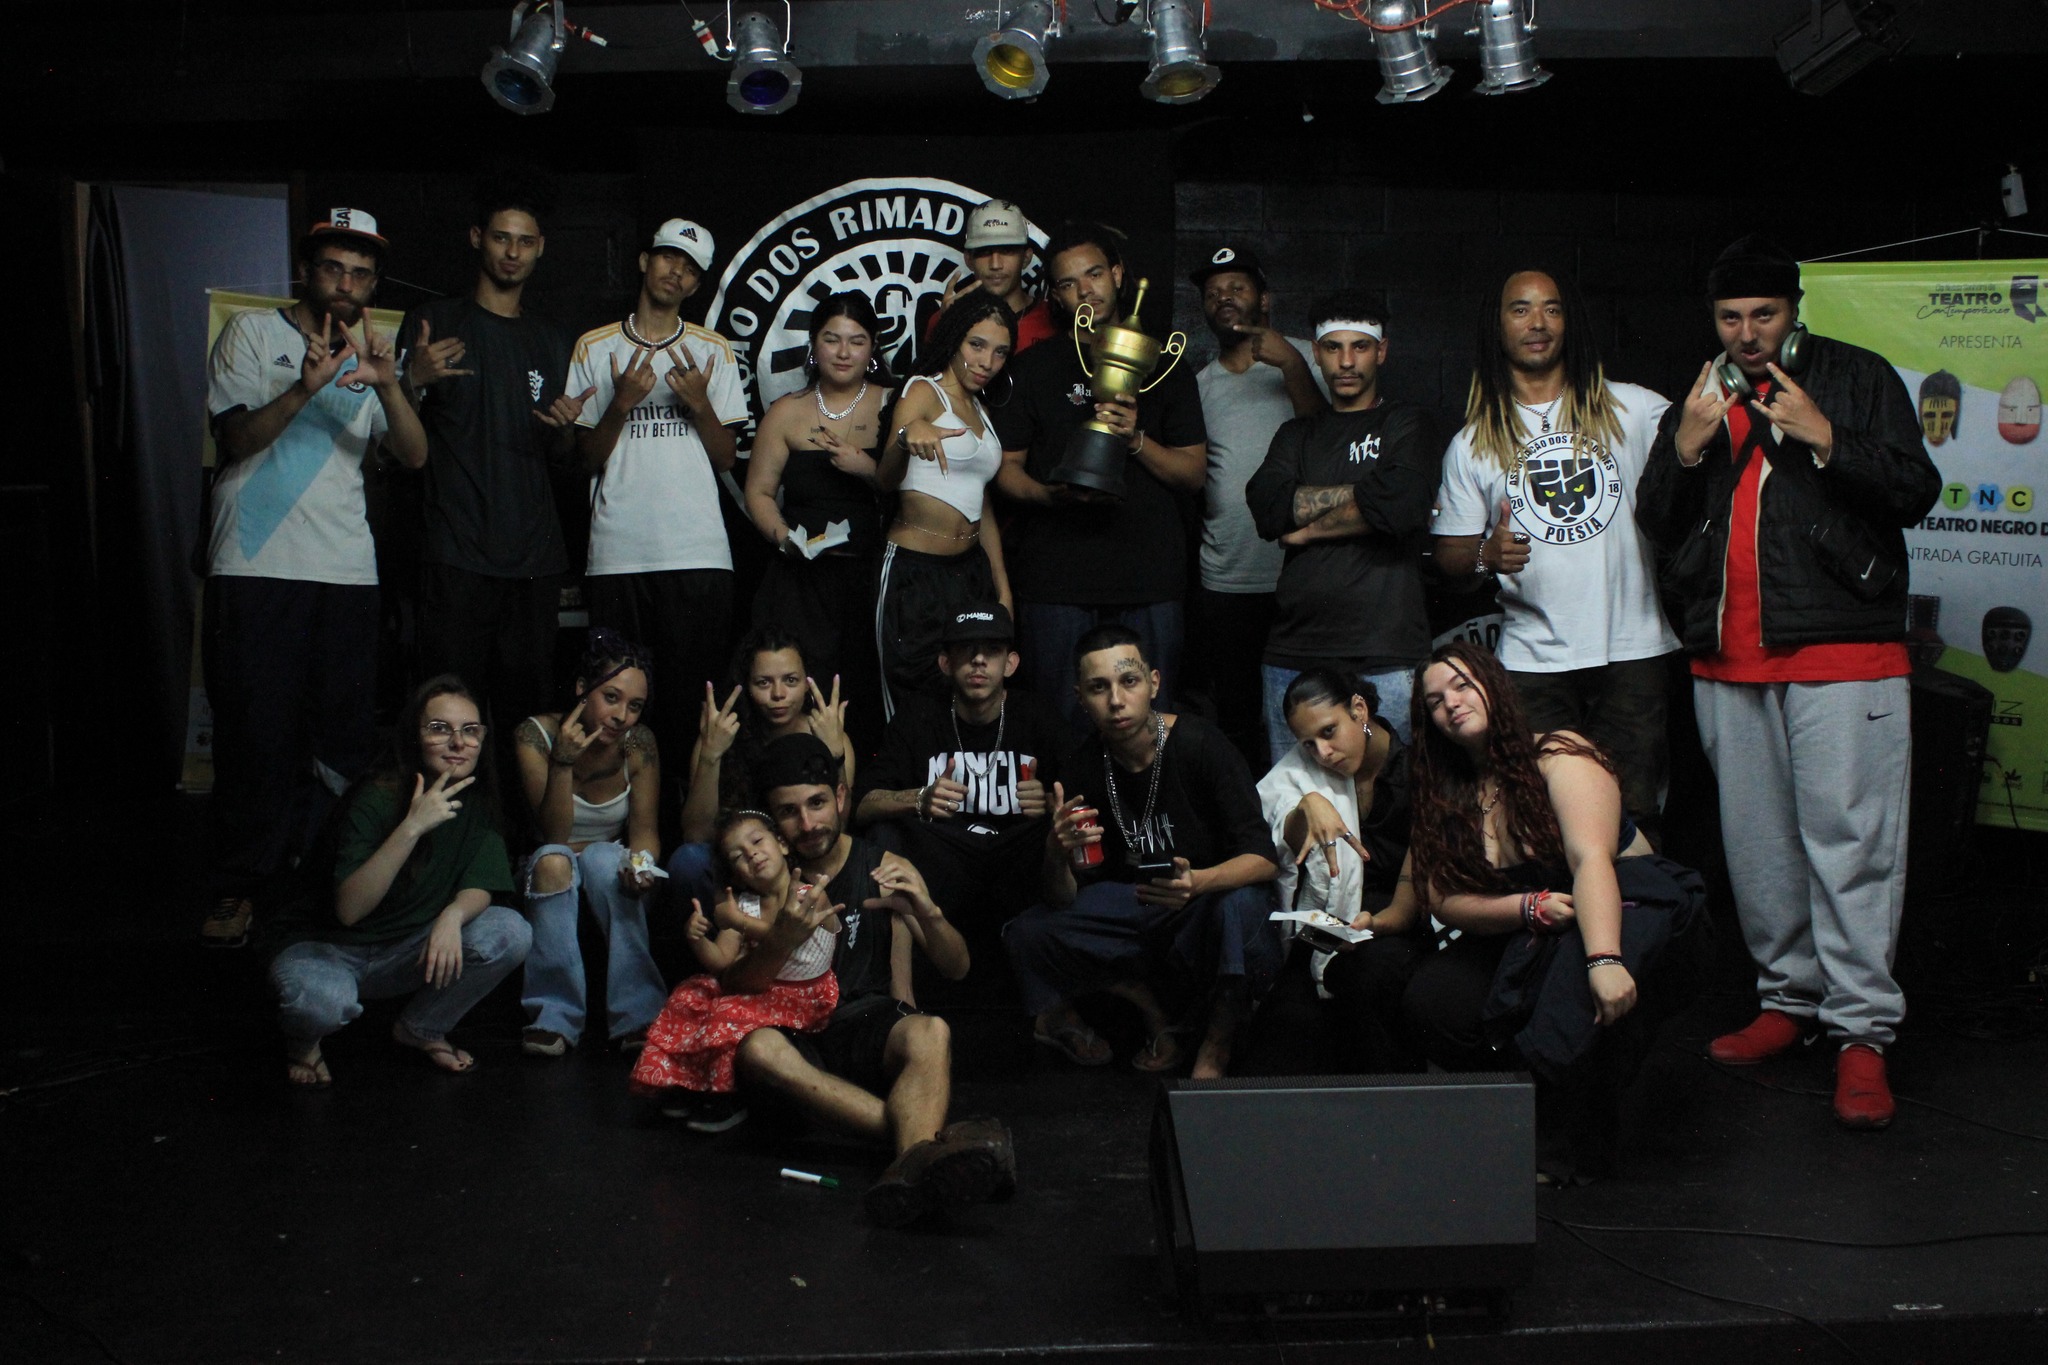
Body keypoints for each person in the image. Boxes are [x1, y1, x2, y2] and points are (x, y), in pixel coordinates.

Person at [1635, 234, 1940, 1130]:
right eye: (1730, 317)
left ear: (1794, 312)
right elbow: (1656, 515)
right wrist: (1685, 446)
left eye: (1764, 315)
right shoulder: (1703, 390)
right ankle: (1788, 999)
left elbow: (1914, 489)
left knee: (1850, 844)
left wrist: (1826, 437)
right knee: (1760, 850)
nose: (1747, 333)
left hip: (1842, 650)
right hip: (1727, 656)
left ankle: (1861, 1032)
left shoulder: (1856, 376)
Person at [199, 208, 428, 948]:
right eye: (334, 268)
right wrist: (304, 388)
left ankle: (332, 885)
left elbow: (414, 456)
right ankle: (241, 886)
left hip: (346, 573)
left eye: (361, 274)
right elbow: (235, 439)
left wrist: (389, 386)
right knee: (254, 734)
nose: (346, 284)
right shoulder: (251, 334)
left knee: (342, 742)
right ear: (307, 271)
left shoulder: (373, 351)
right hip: (256, 566)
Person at [1400, 645, 1704, 1183]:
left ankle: (1567, 1144)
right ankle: (1511, 1109)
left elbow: (1591, 862)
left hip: (1628, 900)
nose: (1451, 703)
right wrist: (1526, 908)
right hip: (1540, 917)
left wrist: (1604, 958)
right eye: (1435, 700)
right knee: (1434, 997)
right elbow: (1442, 899)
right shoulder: (1448, 792)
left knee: (1571, 994)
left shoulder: (1559, 754)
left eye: (1463, 685)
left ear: (1494, 685)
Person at [1432, 269, 1678, 840]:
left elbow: (1698, 468)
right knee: (1541, 819)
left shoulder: (1635, 409)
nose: (1537, 322)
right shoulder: (1473, 442)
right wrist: (1485, 554)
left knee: (1636, 815)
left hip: (1633, 651)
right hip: (1533, 661)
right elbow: (1448, 555)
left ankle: (1634, 902)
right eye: (1520, 309)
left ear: (1569, 323)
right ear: (1498, 326)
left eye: (1552, 308)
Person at [732, 734, 1014, 1227]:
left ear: (840, 796)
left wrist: (928, 913)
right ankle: (923, 1150)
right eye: (789, 812)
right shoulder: (756, 875)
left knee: (931, 1031)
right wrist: (781, 939)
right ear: (771, 823)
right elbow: (736, 988)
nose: (808, 824)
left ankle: (911, 1171)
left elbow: (957, 967)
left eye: (817, 803)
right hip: (797, 1045)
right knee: (755, 1048)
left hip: (867, 1025)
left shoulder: (882, 866)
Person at [1004, 626, 1280, 1078]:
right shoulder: (1082, 765)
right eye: (1099, 687)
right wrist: (1056, 848)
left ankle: (1217, 1042)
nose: (1116, 700)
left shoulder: (1200, 745)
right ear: (1080, 697)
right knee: (1029, 933)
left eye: (1128, 681)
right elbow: (1063, 898)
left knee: (1242, 906)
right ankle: (1143, 1003)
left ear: (1153, 683)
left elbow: (1264, 859)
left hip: (1202, 901)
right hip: (1134, 904)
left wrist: (1198, 883)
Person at [991, 222, 1208, 733]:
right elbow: (1006, 470)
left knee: (1150, 727)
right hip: (1056, 582)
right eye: (1068, 283)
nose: (1084, 290)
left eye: (1093, 274)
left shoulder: (1164, 365)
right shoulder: (1033, 367)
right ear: (1055, 295)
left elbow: (1193, 474)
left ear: (1117, 274)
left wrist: (1135, 440)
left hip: (1149, 579)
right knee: (1062, 728)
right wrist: (1048, 496)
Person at [267, 675, 532, 1085]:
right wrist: (411, 828)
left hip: (404, 950)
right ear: (414, 737)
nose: (458, 742)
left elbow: (481, 880)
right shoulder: (377, 797)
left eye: (470, 730)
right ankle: (303, 1044)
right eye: (440, 729)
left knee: (510, 930)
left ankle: (421, 1027)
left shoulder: (474, 797)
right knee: (322, 1004)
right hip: (330, 950)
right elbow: (350, 910)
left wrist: (452, 917)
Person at [400, 174, 592, 737]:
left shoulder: (553, 339)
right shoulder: (434, 323)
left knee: (524, 719)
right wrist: (411, 380)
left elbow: (564, 458)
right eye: (502, 238)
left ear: (540, 249)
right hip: (455, 552)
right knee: (447, 716)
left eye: (525, 241)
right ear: (476, 238)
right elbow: (396, 443)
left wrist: (565, 430)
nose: (513, 252)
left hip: (533, 559)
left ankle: (521, 803)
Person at [568, 218, 748, 765]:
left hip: (697, 551)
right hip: (619, 552)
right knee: (614, 706)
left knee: (689, 704)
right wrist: (621, 403)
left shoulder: (712, 349)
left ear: (697, 284)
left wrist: (699, 404)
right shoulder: (594, 345)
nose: (677, 272)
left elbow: (725, 458)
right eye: (669, 257)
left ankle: (684, 817)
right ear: (645, 260)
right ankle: (623, 813)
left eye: (690, 268)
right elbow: (585, 458)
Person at [1246, 295, 1441, 762]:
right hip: (1294, 651)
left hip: (1386, 650)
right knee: (1293, 795)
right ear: (1316, 352)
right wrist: (1368, 495)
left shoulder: (1407, 423)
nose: (1347, 361)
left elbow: (1403, 505)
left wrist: (1308, 530)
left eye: (1360, 347)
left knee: (1392, 791)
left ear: (1382, 351)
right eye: (1333, 348)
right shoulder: (1296, 435)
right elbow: (1268, 507)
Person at [854, 603, 1066, 997]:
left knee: (1060, 835)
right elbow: (863, 804)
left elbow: (1079, 805)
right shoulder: (919, 714)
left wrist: (1050, 805)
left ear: (1011, 663)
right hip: (944, 855)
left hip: (1015, 854)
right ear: (945, 663)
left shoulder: (1037, 714)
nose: (979, 660)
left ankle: (1055, 1003)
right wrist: (919, 797)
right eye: (966, 650)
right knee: (884, 836)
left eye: (992, 650)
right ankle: (897, 999)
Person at [1241, 670, 1423, 1075]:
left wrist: (1373, 923)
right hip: (1325, 924)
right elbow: (1281, 831)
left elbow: (1411, 897)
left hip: (1395, 921)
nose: (1323, 753)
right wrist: (1306, 805)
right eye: (1309, 743)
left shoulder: (1415, 772)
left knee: (1364, 981)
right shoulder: (1305, 772)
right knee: (1274, 1039)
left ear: (1359, 709)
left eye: (1329, 732)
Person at [1188, 244, 1327, 770]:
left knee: (1309, 711)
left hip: (1301, 573)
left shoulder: (1312, 357)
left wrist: (1291, 365)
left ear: (1264, 300)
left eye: (1236, 287)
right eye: (1213, 293)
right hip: (1228, 578)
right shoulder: (1201, 386)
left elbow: (1329, 444)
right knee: (1238, 715)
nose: (1224, 298)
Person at [631, 808, 843, 1133]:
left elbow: (788, 935)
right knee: (691, 994)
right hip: (760, 990)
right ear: (737, 875)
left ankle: (728, 1096)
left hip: (804, 998)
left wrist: (739, 922)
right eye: (738, 856)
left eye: (757, 841)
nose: (752, 854)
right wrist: (697, 939)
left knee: (729, 1013)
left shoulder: (810, 893)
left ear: (782, 844)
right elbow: (722, 962)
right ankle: (688, 1083)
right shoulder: (744, 905)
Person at [745, 293, 892, 754]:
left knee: (866, 695)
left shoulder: (896, 404)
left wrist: (867, 468)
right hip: (800, 580)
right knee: (799, 693)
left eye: (856, 341)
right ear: (813, 344)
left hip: (872, 578)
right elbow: (759, 493)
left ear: (872, 347)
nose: (844, 352)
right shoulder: (787, 411)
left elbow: (918, 492)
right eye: (832, 339)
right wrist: (783, 538)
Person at [512, 630, 666, 1058]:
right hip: (547, 862)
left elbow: (645, 832)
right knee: (555, 860)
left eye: (634, 706)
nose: (622, 716)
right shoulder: (535, 736)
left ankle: (639, 1014)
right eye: (611, 698)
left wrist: (641, 864)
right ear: (582, 688)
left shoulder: (639, 743)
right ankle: (553, 1018)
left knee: (602, 859)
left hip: (606, 864)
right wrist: (562, 761)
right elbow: (554, 835)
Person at [874, 292, 1017, 720]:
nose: (987, 362)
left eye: (1000, 352)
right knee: (910, 698)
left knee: (968, 699)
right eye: (977, 345)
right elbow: (884, 480)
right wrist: (907, 436)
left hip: (970, 571)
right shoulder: (923, 390)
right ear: (954, 339)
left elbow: (981, 503)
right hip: (914, 570)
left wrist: (1002, 587)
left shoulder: (980, 406)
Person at [926, 197, 1057, 354]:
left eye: (1006, 251)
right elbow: (929, 368)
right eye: (984, 252)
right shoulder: (944, 318)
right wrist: (947, 327)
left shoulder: (1054, 318)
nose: (995, 264)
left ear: (1026, 258)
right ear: (968, 259)